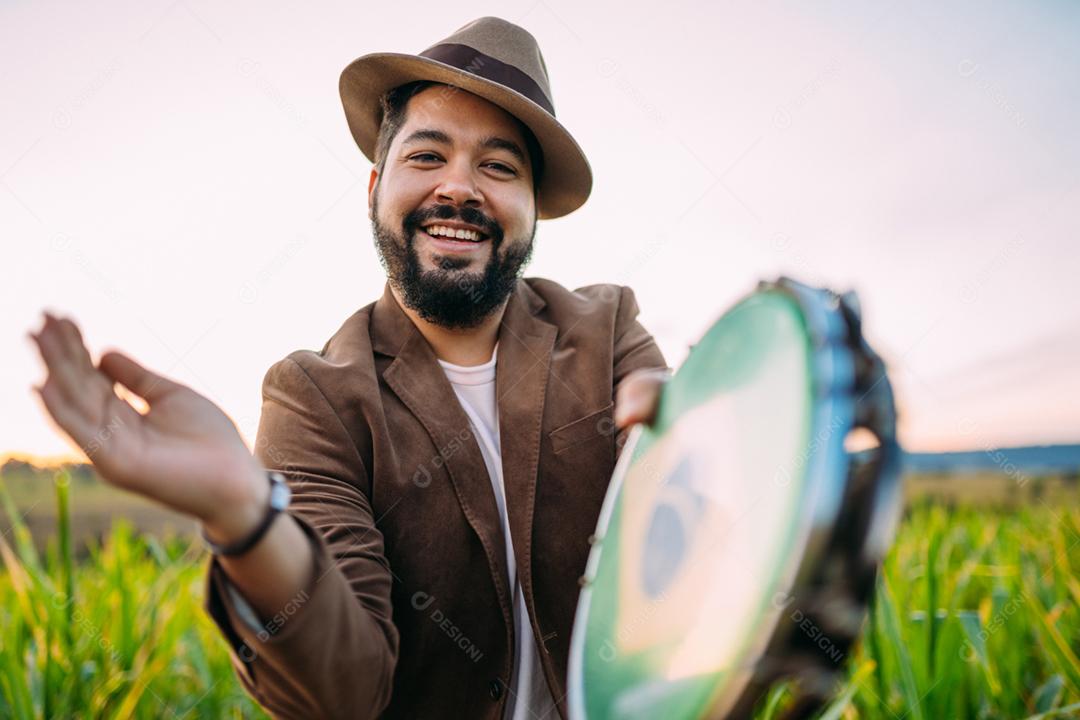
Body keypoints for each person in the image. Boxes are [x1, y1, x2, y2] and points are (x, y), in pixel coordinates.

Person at [27, 16, 670, 720]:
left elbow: (695, 544)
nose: (459, 188)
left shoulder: (606, 330)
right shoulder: (313, 398)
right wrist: (244, 516)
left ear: (532, 211)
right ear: (373, 188)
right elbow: (348, 694)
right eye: (427, 157)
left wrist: (688, 431)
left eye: (498, 166)